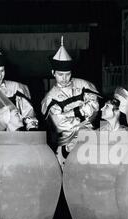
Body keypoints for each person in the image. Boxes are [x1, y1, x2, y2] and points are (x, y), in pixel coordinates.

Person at [41, 36, 101, 168]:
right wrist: (82, 114)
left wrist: (70, 113)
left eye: (67, 74)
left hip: (91, 138)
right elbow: (60, 124)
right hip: (68, 143)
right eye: (60, 74)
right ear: (53, 73)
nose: (64, 78)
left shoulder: (84, 84)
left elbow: (95, 106)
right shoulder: (50, 98)